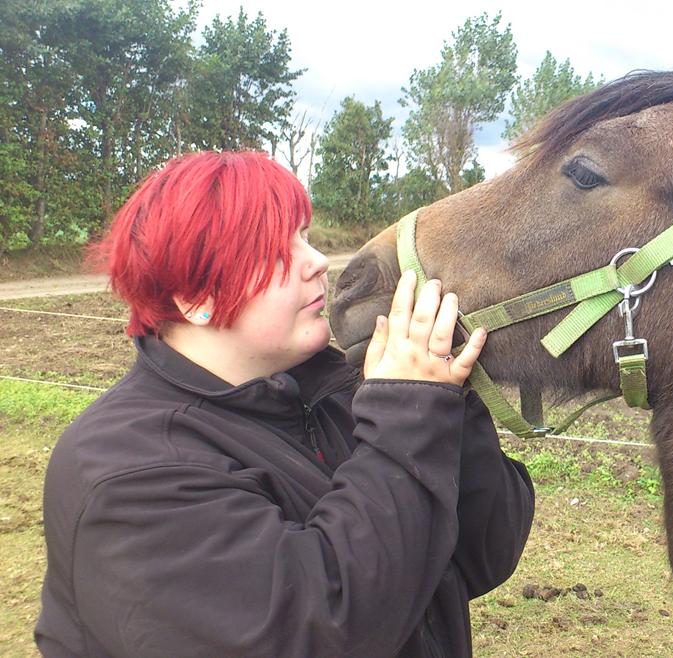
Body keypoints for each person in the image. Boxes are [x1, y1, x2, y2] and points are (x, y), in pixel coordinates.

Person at [35, 151, 534, 657]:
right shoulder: (128, 473)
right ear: (196, 298)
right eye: (276, 249)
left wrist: (445, 399)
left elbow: (482, 556)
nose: (317, 260)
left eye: (305, 236)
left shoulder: (338, 390)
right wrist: (407, 415)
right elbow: (317, 630)